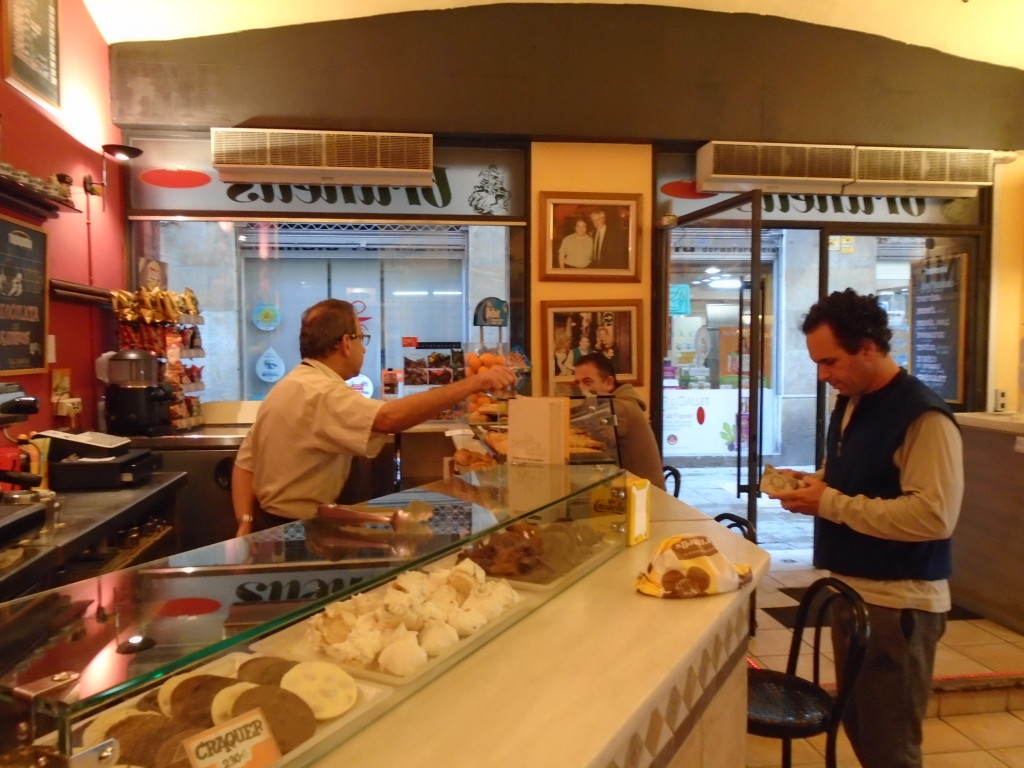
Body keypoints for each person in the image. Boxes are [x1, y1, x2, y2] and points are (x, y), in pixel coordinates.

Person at [766, 288, 963, 768]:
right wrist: (815, 484)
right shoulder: (850, 402)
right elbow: (853, 475)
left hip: (899, 606)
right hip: (853, 593)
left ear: (869, 348)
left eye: (830, 361)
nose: (823, 375)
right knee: (860, 725)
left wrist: (830, 502)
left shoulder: (923, 416)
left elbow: (934, 516)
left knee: (889, 744)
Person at [232, 298, 517, 535]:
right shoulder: (318, 392)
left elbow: (245, 464)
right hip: (296, 529)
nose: (364, 348)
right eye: (361, 338)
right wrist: (474, 383)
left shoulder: (290, 385)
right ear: (345, 343)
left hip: (271, 524)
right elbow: (388, 418)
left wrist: (245, 523)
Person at [573, 352, 666, 490]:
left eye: (587, 381)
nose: (582, 388)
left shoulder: (620, 408)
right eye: (578, 383)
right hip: (630, 491)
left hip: (648, 500)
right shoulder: (609, 404)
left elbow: (582, 423)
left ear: (609, 383)